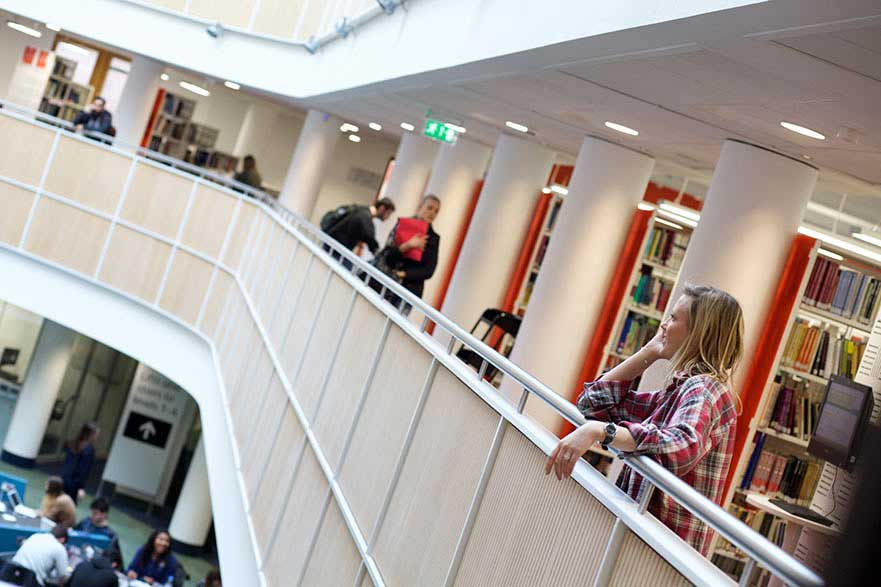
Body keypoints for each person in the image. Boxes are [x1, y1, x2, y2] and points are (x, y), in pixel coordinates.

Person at [545, 284, 744, 556]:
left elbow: (681, 447)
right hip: (647, 539)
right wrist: (649, 352)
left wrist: (600, 431)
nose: (664, 324)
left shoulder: (705, 389)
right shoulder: (680, 390)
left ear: (698, 333)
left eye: (673, 318)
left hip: (662, 549)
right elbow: (594, 402)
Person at [371, 194, 441, 309]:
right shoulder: (402, 225)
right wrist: (408, 246)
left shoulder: (433, 238)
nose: (432, 213)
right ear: (420, 207)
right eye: (429, 208)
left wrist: (403, 274)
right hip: (385, 283)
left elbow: (429, 270)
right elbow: (388, 256)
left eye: (436, 211)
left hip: (408, 292)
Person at [322, 198, 396, 266]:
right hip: (336, 250)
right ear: (382, 208)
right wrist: (377, 252)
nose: (388, 217)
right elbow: (371, 239)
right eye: (388, 213)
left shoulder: (360, 209)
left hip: (330, 244)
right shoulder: (365, 218)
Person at [2, 525, 70, 587]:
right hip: (32, 582)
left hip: (10, 575)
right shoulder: (60, 548)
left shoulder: (35, 536)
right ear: (63, 539)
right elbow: (63, 577)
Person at [74, 497, 122, 567]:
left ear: (104, 514)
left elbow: (114, 561)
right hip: (78, 557)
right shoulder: (86, 522)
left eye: (95, 513)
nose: (92, 516)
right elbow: (73, 534)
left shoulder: (111, 535)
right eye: (92, 512)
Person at [61, 422, 99, 504]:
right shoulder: (89, 449)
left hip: (64, 478)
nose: (97, 437)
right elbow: (83, 470)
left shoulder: (73, 443)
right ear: (91, 434)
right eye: (96, 434)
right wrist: (81, 487)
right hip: (74, 484)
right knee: (68, 506)